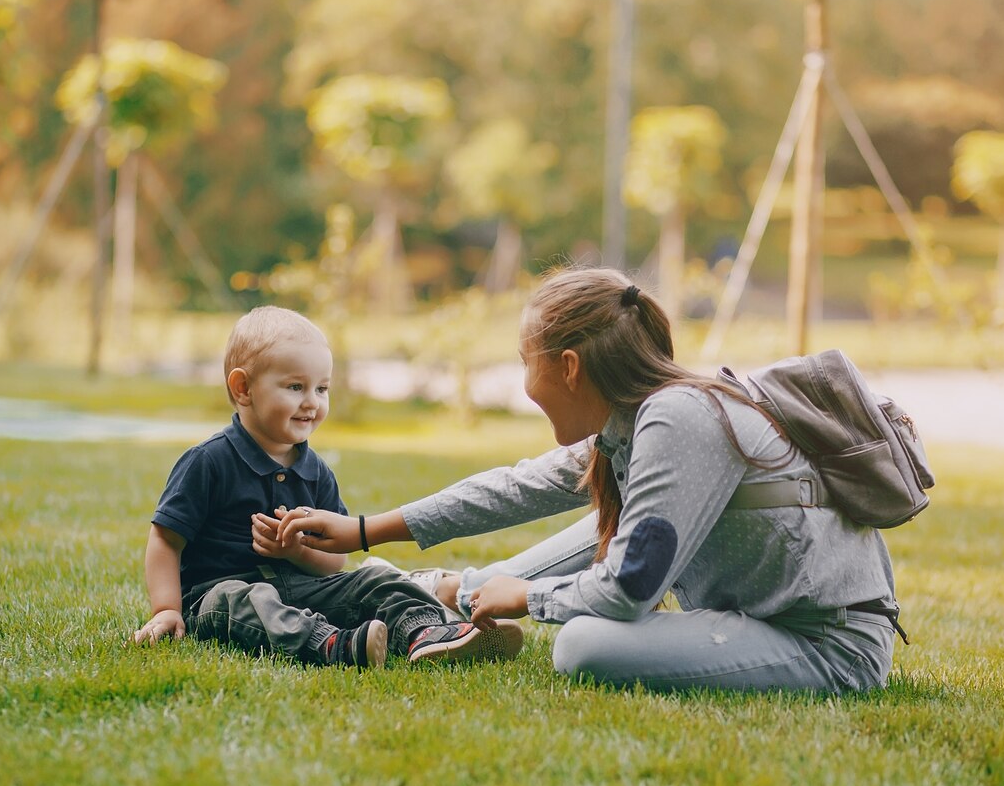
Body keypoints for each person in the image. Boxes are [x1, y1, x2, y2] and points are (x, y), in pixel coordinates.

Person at [256, 268, 905, 693]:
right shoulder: (633, 422)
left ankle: (457, 595)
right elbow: (515, 488)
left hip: (826, 647)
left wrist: (528, 600)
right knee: (596, 524)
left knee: (584, 645)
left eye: (524, 363)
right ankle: (446, 596)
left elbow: (628, 590)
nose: (523, 380)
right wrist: (365, 531)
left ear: (568, 368)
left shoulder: (677, 420)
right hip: (771, 619)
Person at [132, 305, 524, 668]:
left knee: (377, 577)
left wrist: (296, 551)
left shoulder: (315, 470)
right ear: (243, 389)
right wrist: (167, 608)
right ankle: (334, 644)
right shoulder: (209, 461)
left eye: (322, 389)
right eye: (295, 387)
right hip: (218, 599)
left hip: (300, 589)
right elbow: (166, 540)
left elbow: (335, 561)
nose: (312, 403)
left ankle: (429, 631)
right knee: (249, 597)